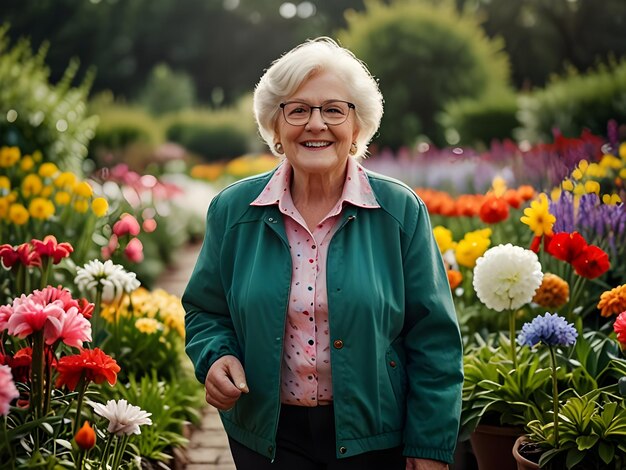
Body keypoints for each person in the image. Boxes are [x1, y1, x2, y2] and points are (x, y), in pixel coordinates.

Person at [183, 37, 463, 470]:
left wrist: (429, 446)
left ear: (357, 126)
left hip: (376, 438)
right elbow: (206, 311)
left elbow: (435, 339)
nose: (316, 124)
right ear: (276, 127)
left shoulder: (400, 211)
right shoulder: (233, 211)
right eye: (298, 110)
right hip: (267, 436)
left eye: (334, 109)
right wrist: (216, 356)